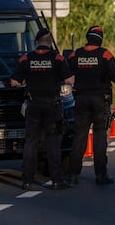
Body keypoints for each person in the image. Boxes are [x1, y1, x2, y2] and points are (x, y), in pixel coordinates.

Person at [67, 26, 115, 185]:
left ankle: (72, 175)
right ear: (100, 39)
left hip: (80, 99)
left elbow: (66, 74)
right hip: (100, 100)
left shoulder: (75, 54)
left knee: (80, 136)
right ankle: (101, 175)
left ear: (87, 37)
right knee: (100, 137)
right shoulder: (105, 54)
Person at [11, 28, 75, 190]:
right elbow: (70, 80)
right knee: (52, 143)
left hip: (33, 105)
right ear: (50, 41)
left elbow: (14, 83)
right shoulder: (58, 58)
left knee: (30, 142)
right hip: (51, 106)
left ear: (37, 41)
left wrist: (27, 81)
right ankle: (56, 180)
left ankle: (27, 180)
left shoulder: (26, 59)